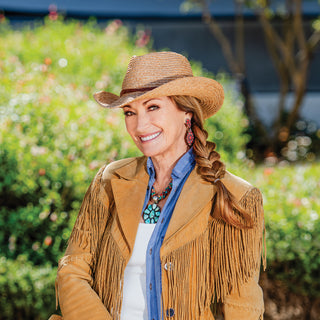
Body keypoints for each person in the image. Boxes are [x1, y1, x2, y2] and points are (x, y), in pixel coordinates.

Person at [49, 51, 265, 320]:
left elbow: (241, 303)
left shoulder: (236, 196)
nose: (140, 125)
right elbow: (72, 270)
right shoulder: (110, 180)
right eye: (130, 112)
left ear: (186, 113)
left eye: (153, 107)